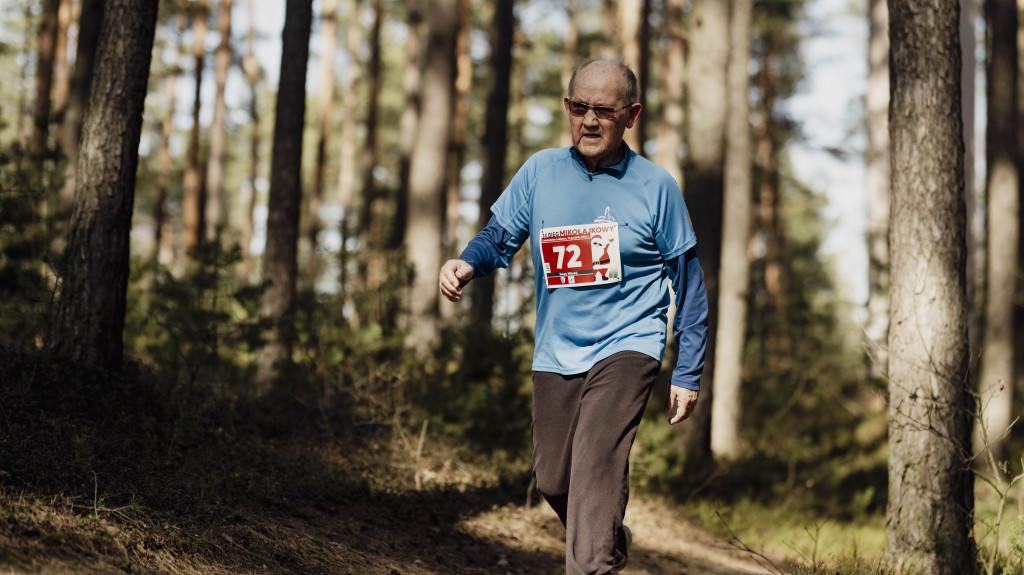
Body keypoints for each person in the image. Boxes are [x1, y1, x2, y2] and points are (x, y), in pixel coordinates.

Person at [438, 57, 708, 575]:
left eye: (603, 110)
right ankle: (605, 534)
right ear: (567, 107)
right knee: (555, 479)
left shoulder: (656, 187)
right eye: (577, 106)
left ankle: (592, 562)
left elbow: (689, 283)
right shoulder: (541, 171)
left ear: (631, 116)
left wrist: (688, 370)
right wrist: (467, 262)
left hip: (630, 345)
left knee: (594, 467)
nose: (588, 120)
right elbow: (499, 236)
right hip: (557, 349)